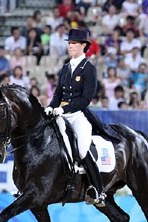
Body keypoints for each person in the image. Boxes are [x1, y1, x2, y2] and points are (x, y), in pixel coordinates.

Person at [44, 28, 119, 207]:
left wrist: (64, 109)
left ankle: (98, 190)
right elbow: (58, 94)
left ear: (83, 46)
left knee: (83, 150)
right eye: (69, 44)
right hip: (60, 114)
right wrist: (50, 107)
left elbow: (86, 99)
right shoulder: (65, 67)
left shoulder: (89, 69)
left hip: (78, 115)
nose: (70, 47)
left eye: (74, 44)